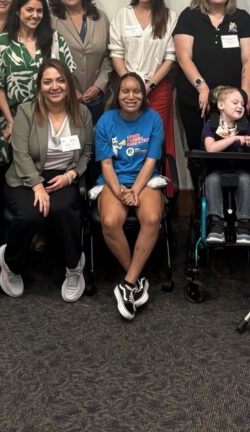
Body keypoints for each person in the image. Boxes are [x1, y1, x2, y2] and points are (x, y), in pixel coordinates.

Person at [0, 59, 92, 302]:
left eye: (60, 80)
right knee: (30, 214)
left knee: (62, 210)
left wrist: (71, 175)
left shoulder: (82, 113)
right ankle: (11, 264)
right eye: (47, 81)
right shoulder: (27, 111)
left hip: (63, 175)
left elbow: (87, 152)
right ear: (40, 86)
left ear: (69, 84)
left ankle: (73, 267)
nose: (55, 86)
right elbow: (20, 153)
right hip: (24, 177)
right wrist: (37, 186)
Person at [93, 72, 165, 320]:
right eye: (125, 91)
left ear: (143, 95)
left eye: (137, 91)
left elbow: (151, 160)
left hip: (144, 180)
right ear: (117, 94)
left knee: (153, 218)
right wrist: (120, 192)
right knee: (111, 221)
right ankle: (136, 280)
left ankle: (128, 282)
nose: (131, 96)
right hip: (114, 181)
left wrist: (135, 190)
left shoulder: (153, 118)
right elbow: (106, 165)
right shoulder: (105, 121)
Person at [0, 0, 76, 164]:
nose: (35, 15)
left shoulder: (55, 39)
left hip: (52, 118)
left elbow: (67, 80)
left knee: (52, 166)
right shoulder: (2, 42)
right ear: (18, 11)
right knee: (16, 171)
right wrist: (11, 122)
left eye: (39, 11)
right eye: (29, 10)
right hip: (15, 117)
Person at [173, 0, 250, 152]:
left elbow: (249, 59)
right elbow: (183, 57)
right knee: (198, 151)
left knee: (235, 151)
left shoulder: (242, 18)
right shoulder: (189, 16)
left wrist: (245, 92)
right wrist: (203, 88)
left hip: (233, 104)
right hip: (196, 99)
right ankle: (199, 183)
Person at [108, 0, 178, 161]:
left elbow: (170, 58)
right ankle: (127, 184)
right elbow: (116, 52)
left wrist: (147, 87)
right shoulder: (123, 15)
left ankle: (157, 186)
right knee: (127, 139)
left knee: (155, 141)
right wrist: (131, 86)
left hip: (157, 88)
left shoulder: (169, 16)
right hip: (125, 88)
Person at [201, 86, 250, 245]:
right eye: (235, 102)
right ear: (220, 105)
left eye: (242, 103)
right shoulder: (211, 125)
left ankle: (244, 225)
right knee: (212, 180)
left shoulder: (245, 126)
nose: (240, 106)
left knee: (246, 180)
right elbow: (210, 148)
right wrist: (233, 139)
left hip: (241, 171)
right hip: (216, 170)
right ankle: (216, 224)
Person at [49, 0, 111, 125]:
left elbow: (109, 56)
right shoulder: (51, 19)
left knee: (95, 142)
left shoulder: (100, 17)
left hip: (97, 98)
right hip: (62, 97)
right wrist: (69, 88)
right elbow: (48, 59)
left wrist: (99, 85)